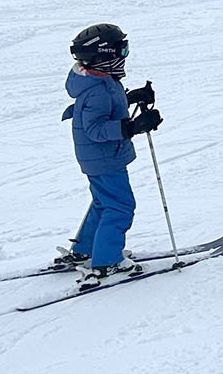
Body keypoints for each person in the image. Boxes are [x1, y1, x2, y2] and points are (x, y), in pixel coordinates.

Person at [57, 23, 164, 288]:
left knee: (104, 202)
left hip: (100, 157)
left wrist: (132, 97)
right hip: (104, 157)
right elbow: (95, 128)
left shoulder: (100, 81)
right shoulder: (97, 90)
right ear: (104, 55)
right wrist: (131, 127)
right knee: (120, 206)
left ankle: (86, 250)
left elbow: (109, 104)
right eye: (121, 50)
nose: (124, 56)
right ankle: (106, 262)